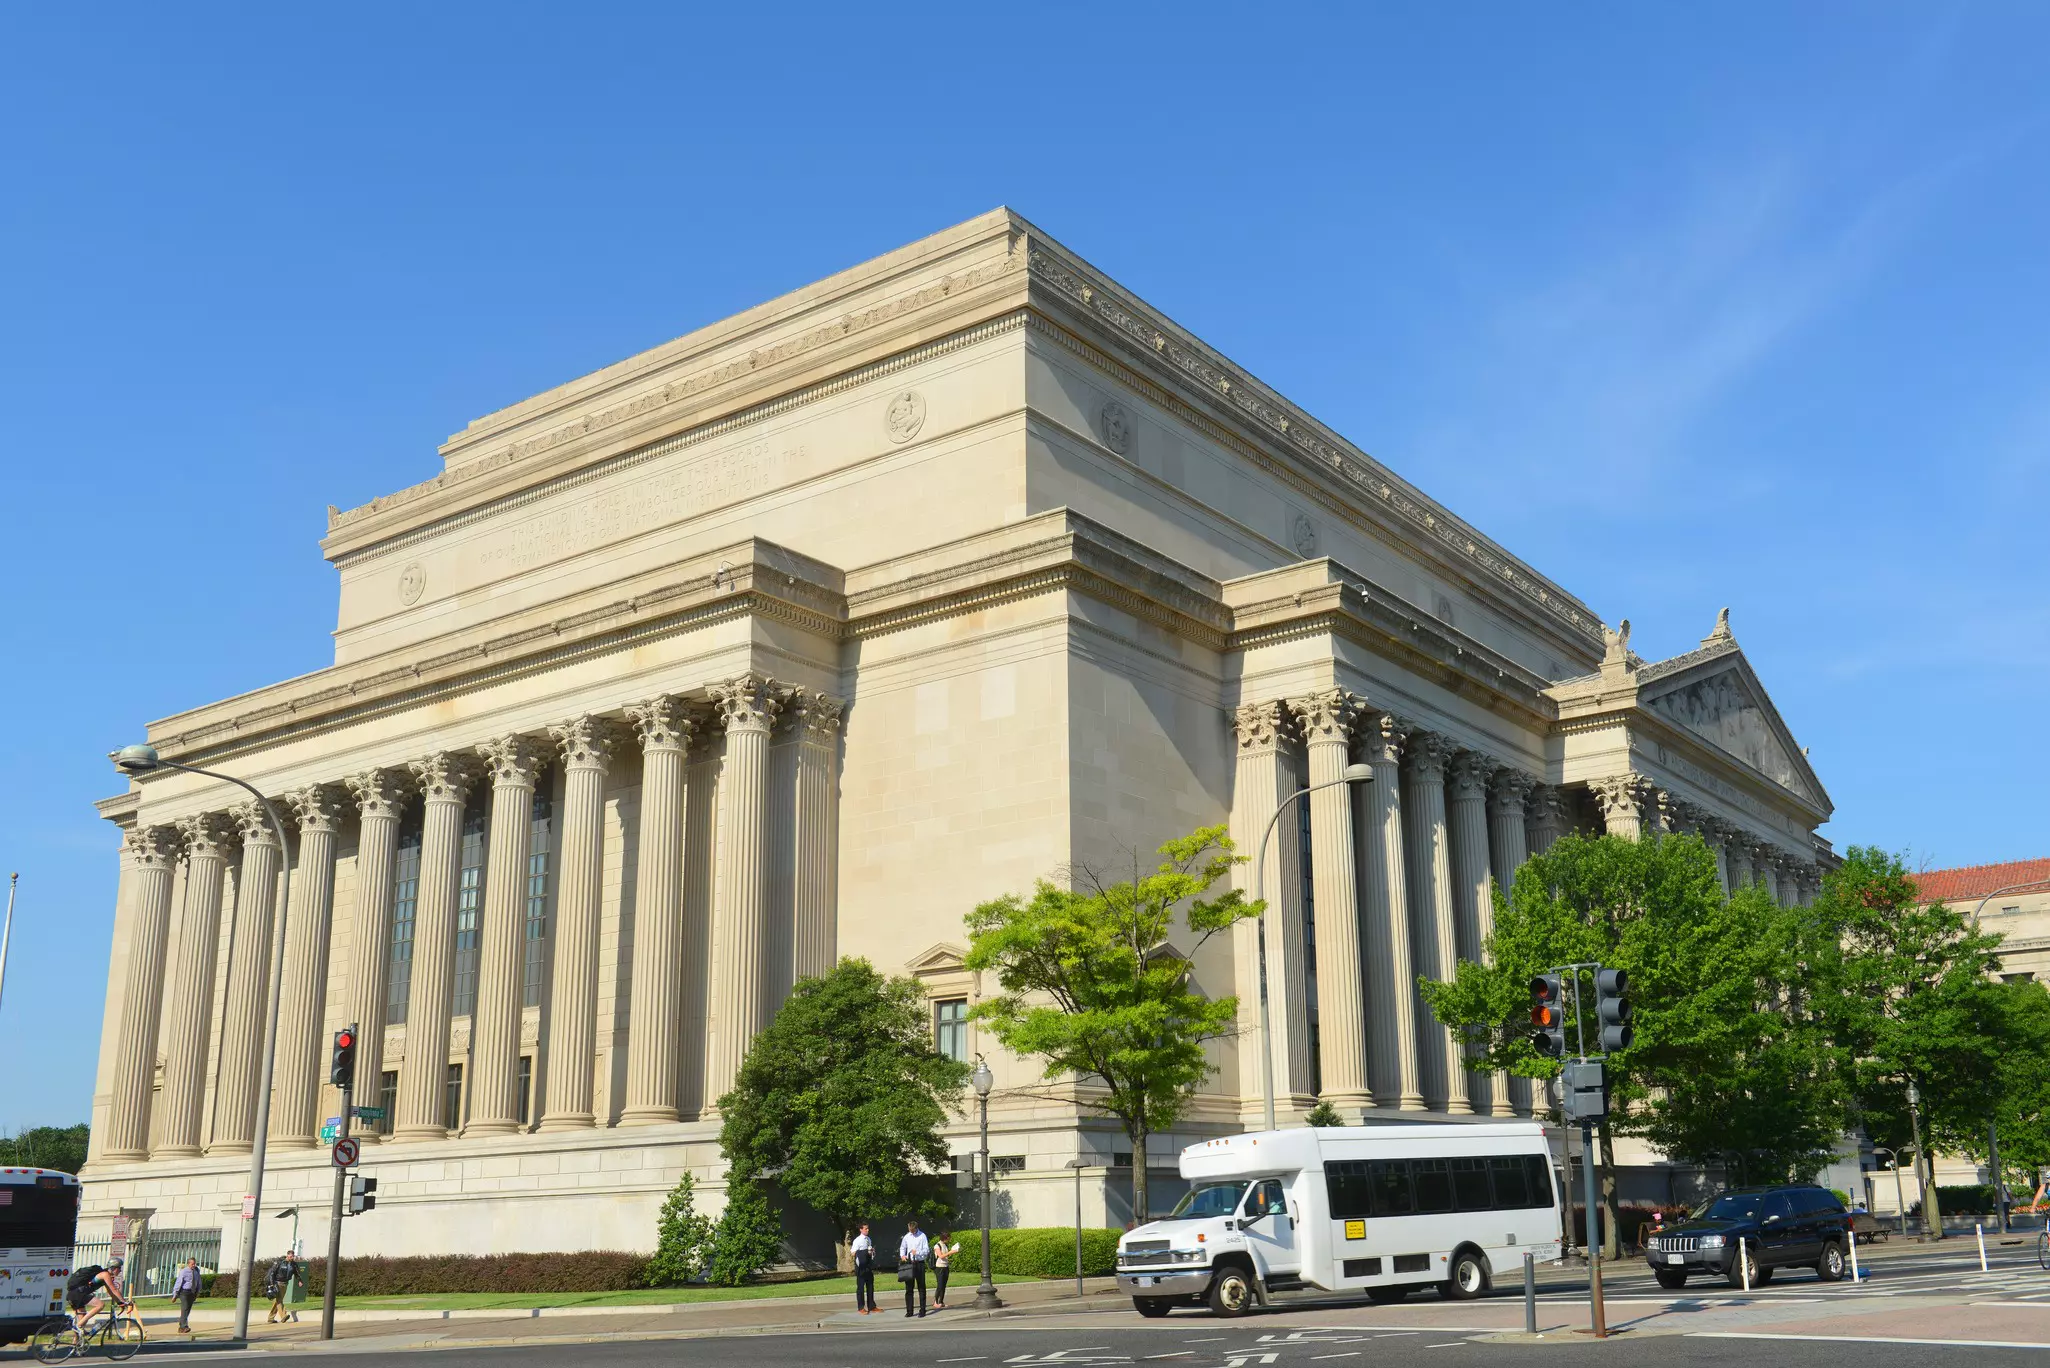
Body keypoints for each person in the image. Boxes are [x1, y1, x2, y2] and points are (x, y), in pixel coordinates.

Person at [66, 1257, 131, 1334]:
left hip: (73, 1294)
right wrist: (124, 1301)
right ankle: (78, 1326)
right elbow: (114, 1290)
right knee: (100, 1305)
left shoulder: (106, 1275)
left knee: (82, 1321)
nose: (120, 1270)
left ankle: (76, 1343)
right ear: (113, 1268)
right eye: (119, 1268)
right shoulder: (105, 1274)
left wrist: (120, 1303)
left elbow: (111, 1292)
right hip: (78, 1294)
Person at [899, 1219, 930, 1318]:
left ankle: (922, 1310)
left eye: (912, 1230)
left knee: (921, 1287)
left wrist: (918, 1252)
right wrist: (902, 1255)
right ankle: (909, 1310)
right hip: (909, 1264)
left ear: (916, 1228)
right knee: (909, 1288)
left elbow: (926, 1250)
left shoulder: (922, 1236)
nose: (911, 1232)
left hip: (919, 1263)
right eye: (910, 1230)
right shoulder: (907, 1237)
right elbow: (902, 1247)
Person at [850, 1222, 877, 1315]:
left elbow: (870, 1252)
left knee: (870, 1286)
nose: (867, 1230)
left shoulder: (868, 1239)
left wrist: (871, 1252)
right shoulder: (858, 1240)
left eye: (868, 1228)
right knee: (860, 1288)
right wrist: (864, 1252)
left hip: (868, 1266)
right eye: (865, 1228)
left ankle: (872, 1306)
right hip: (861, 1267)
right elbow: (853, 1252)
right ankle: (861, 1307)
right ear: (861, 1229)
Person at [172, 1257, 202, 1334]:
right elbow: (178, 1282)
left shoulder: (196, 1271)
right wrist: (175, 1295)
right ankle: (185, 1326)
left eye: (195, 1264)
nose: (194, 1265)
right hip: (184, 1292)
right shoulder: (184, 1271)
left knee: (187, 1310)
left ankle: (181, 1326)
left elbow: (198, 1281)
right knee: (185, 1308)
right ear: (188, 1264)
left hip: (192, 1292)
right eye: (192, 1264)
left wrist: (198, 1292)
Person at [930, 1230, 957, 1310]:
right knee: (940, 1285)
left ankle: (941, 1301)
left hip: (945, 1266)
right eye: (948, 1238)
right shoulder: (937, 1246)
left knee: (944, 1285)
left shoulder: (945, 1245)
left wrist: (950, 1256)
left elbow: (945, 1256)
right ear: (944, 1238)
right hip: (939, 1267)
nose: (949, 1240)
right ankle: (936, 1302)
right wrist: (951, 1252)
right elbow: (941, 1256)